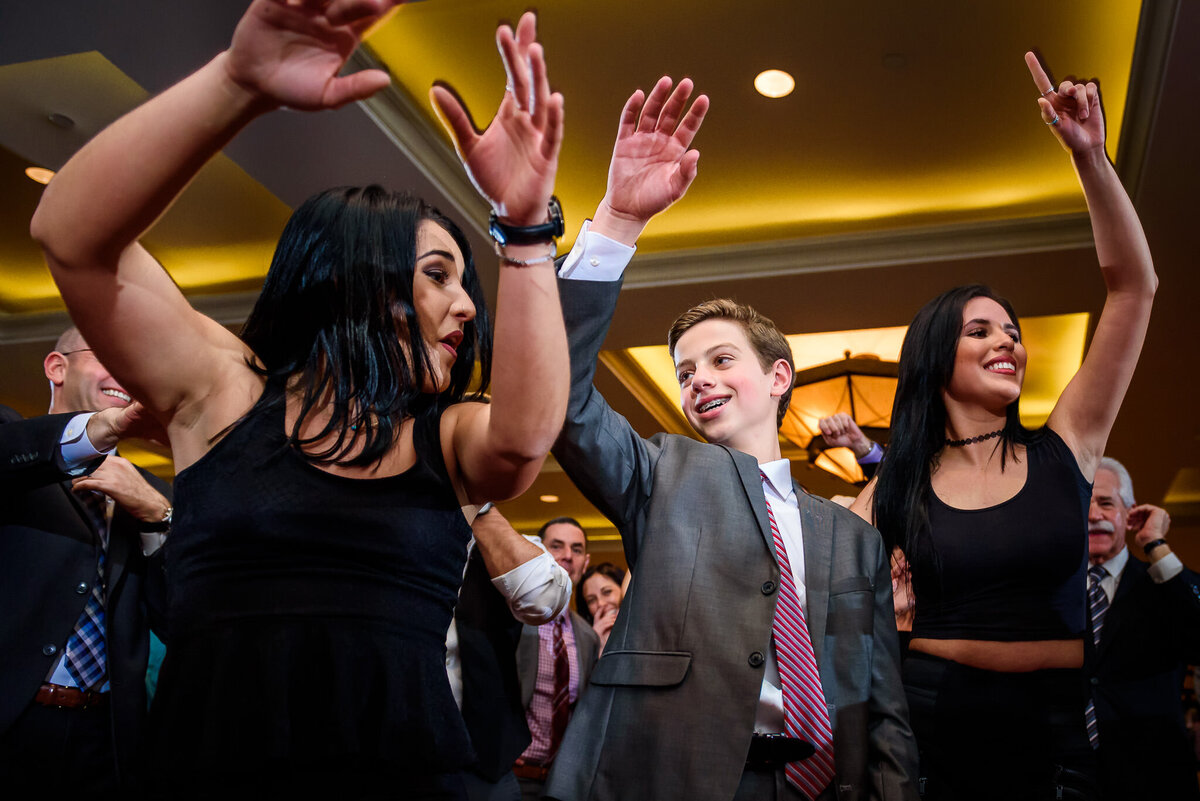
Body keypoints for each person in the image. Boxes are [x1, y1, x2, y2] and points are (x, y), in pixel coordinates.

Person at [30, 1, 568, 796]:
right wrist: (237, 82)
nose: (465, 307)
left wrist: (525, 231)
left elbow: (524, 438)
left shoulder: (447, 434)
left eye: (465, 283)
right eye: (437, 275)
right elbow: (70, 234)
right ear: (358, 275)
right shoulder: (221, 389)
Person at [546, 77, 917, 801]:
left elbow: (876, 701)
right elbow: (558, 397)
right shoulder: (661, 472)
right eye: (685, 372)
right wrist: (618, 221)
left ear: (779, 376)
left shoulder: (852, 541)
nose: (698, 381)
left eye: (721, 361)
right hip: (673, 778)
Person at [850, 52, 1158, 800]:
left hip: (1059, 734)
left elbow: (1134, 287)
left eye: (1013, 331)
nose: (1008, 342)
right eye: (981, 330)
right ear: (935, 355)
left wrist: (1090, 158)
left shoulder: (1066, 446)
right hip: (934, 724)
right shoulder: (896, 487)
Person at [0, 329, 172, 797]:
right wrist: (102, 432)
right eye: (111, 355)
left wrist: (157, 518)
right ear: (58, 368)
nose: (126, 374)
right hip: (13, 718)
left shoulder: (156, 493)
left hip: (106, 736)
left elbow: (177, 618)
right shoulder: (11, 441)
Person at [1084, 457, 1200, 801]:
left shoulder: (1163, 584)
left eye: (1106, 503)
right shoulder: (1050, 588)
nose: (1093, 516)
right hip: (1071, 778)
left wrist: (1154, 543)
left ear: (1130, 511)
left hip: (1154, 776)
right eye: (1084, 504)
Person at [453, 504, 571, 801]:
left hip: (488, 763)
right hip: (398, 753)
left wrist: (475, 504)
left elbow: (544, 596)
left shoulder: (498, 549)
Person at [514, 517, 600, 801]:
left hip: (561, 785)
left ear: (585, 563)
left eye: (576, 549)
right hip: (510, 777)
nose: (567, 556)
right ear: (539, 553)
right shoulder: (515, 619)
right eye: (557, 546)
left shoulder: (587, 636)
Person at [576, 562, 626, 650]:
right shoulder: (580, 643)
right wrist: (595, 642)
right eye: (591, 600)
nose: (600, 603)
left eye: (607, 592)